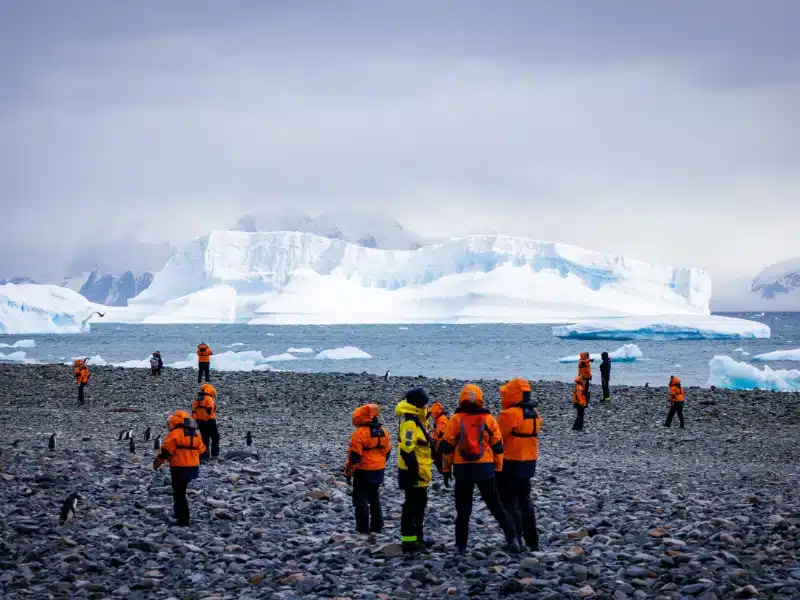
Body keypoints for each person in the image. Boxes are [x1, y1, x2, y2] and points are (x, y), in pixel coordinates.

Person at [439, 383, 520, 554]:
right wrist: (497, 468)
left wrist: (446, 470)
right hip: (485, 467)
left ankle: (461, 546)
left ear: (461, 398)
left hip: (462, 469)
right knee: (496, 506)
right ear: (480, 399)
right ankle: (513, 540)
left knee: (463, 510)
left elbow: (446, 447)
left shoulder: (455, 419)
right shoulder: (488, 419)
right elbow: (498, 446)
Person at [497, 378, 542, 551]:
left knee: (509, 502)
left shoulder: (508, 415)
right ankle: (533, 540)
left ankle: (515, 539)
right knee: (525, 501)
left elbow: (497, 436)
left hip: (510, 462)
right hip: (529, 463)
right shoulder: (535, 413)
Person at [344, 403, 392, 535]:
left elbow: (354, 457)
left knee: (360, 499)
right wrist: (380, 464)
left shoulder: (359, 433)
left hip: (363, 470)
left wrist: (348, 472)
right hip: (378, 470)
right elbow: (387, 451)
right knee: (374, 497)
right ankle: (377, 526)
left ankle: (363, 528)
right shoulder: (384, 431)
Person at [396, 388, 434, 553]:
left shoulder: (417, 419)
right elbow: (407, 449)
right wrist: (414, 471)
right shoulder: (411, 422)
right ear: (416, 403)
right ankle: (409, 541)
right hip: (412, 470)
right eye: (423, 401)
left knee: (420, 504)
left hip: (420, 469)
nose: (426, 404)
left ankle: (418, 537)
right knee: (412, 505)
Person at [153, 409, 206, 526]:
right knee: (182, 490)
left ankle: (183, 519)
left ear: (175, 421)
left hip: (179, 467)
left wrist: (157, 463)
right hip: (193, 467)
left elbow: (166, 452)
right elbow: (202, 450)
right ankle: (179, 515)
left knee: (179, 492)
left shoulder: (174, 434)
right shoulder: (195, 433)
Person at [192, 383, 220, 461]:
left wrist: (197, 420)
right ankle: (215, 455)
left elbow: (193, 411)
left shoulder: (197, 399)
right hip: (210, 421)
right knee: (215, 437)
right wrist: (208, 416)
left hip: (200, 422)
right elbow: (210, 409)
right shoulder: (208, 398)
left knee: (204, 439)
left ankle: (205, 456)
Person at [428, 401, 449, 477]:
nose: (432, 416)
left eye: (433, 413)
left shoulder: (441, 419)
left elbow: (441, 433)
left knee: (436, 454)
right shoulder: (441, 418)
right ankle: (444, 470)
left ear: (436, 412)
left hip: (442, 442)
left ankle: (444, 470)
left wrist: (434, 440)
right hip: (442, 441)